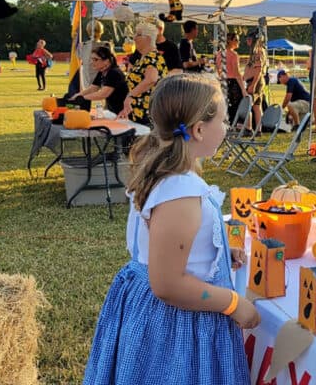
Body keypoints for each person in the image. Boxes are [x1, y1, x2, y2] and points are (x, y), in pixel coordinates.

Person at [83, 74, 258, 384]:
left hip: (153, 308)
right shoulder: (181, 192)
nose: (226, 128)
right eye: (223, 120)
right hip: (176, 324)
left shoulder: (165, 171)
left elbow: (164, 246)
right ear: (200, 129)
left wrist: (215, 254)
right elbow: (167, 284)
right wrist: (233, 304)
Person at [119, 22, 168, 126]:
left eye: (138, 34)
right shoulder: (144, 58)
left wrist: (130, 96)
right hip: (138, 114)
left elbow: (151, 79)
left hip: (146, 115)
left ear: (148, 38)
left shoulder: (152, 57)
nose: (134, 37)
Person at [68, 47, 128, 114]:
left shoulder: (114, 73)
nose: (92, 63)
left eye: (95, 60)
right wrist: (77, 95)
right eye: (92, 59)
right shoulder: (102, 72)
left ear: (107, 61)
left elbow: (103, 94)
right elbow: (92, 89)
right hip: (113, 111)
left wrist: (82, 98)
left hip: (123, 113)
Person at [215, 32, 251, 123]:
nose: (238, 41)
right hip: (233, 83)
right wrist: (243, 89)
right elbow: (236, 73)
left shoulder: (219, 54)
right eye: (236, 40)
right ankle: (236, 125)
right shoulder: (233, 55)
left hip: (223, 82)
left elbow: (218, 70)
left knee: (226, 105)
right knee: (236, 106)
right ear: (230, 41)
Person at [243, 29, 268, 132]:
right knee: (256, 106)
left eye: (249, 39)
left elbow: (258, 70)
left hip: (255, 81)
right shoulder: (256, 51)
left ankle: (249, 128)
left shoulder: (257, 51)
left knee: (249, 104)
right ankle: (258, 130)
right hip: (254, 80)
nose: (247, 41)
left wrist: (253, 84)